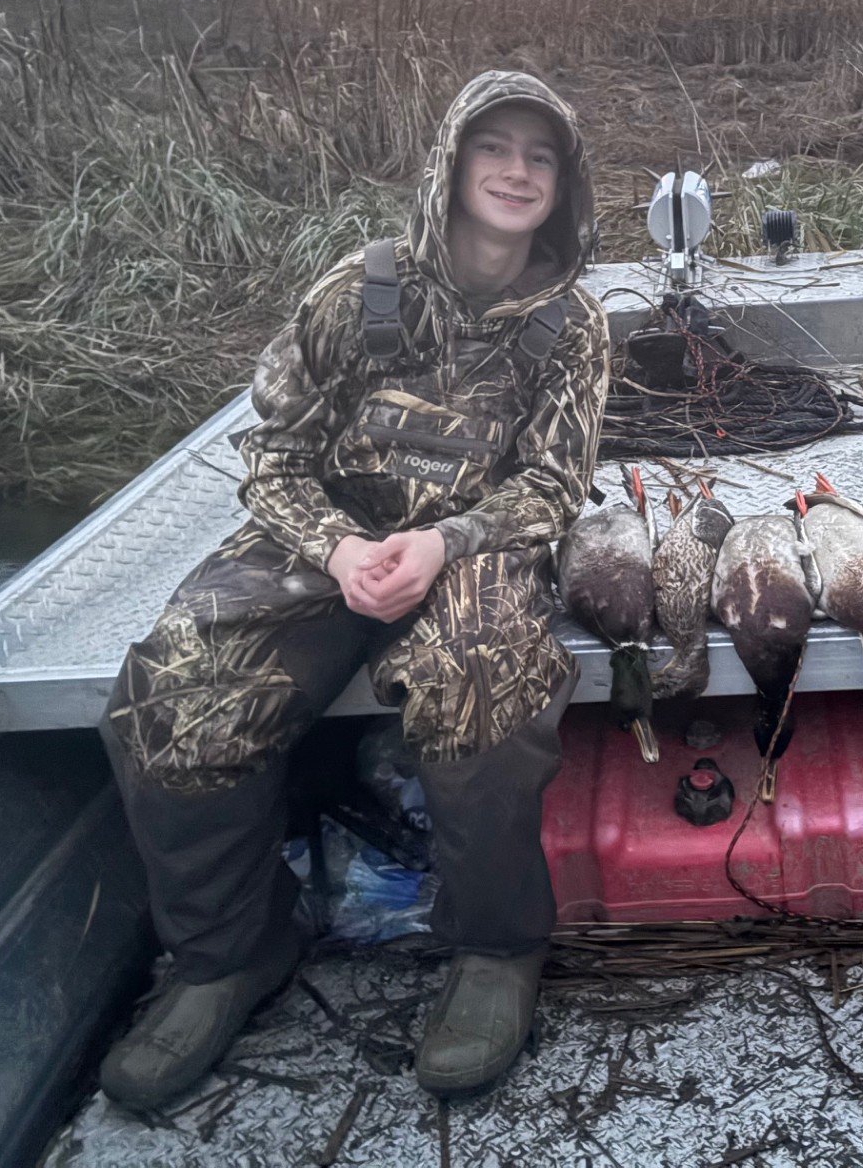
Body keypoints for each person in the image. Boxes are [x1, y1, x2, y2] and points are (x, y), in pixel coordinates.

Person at [95, 70, 610, 1109]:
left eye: (540, 156)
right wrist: (335, 551)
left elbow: (555, 489)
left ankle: (495, 952)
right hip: (328, 541)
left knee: (485, 682)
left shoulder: (573, 326)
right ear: (452, 164)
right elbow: (271, 459)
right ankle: (229, 954)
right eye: (494, 148)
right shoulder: (353, 294)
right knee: (172, 689)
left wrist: (446, 541)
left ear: (564, 182)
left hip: (472, 549)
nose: (516, 172)